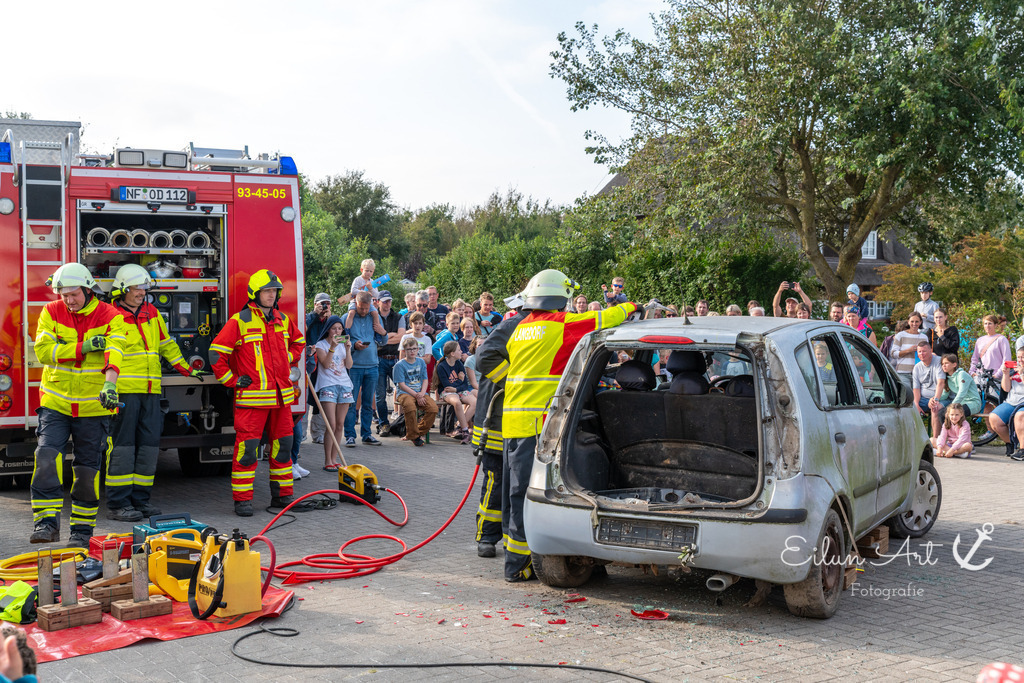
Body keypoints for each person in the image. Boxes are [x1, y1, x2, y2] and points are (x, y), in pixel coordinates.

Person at [479, 268, 636, 582]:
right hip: (538, 424)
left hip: (513, 422)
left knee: (516, 494)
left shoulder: (522, 327)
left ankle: (516, 562)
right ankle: (518, 567)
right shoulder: (560, 325)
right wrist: (632, 306)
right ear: (560, 299)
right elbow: (604, 319)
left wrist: (509, 382)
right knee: (530, 494)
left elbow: (497, 362)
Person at [30, 263, 126, 546]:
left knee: (87, 471)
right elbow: (43, 352)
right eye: (64, 295)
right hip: (56, 403)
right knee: (46, 457)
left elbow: (115, 350)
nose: (69, 301)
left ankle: (81, 533)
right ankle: (46, 524)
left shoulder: (110, 315)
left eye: (74, 294)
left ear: (87, 289)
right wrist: (82, 347)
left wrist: (110, 384)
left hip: (93, 408)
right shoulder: (51, 311)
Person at [106, 264, 197, 522]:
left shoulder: (152, 313)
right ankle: (118, 504)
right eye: (137, 288)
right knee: (123, 448)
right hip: (124, 392)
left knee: (148, 447)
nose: (142, 293)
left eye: (144, 288)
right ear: (122, 289)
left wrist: (186, 368)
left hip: (151, 390)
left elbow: (166, 344)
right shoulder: (110, 315)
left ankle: (141, 500)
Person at [209, 269, 304, 517]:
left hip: (281, 400)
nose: (272, 295)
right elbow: (216, 354)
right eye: (267, 291)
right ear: (255, 293)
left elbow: (299, 342)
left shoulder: (283, 319)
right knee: (247, 450)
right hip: (252, 401)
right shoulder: (240, 321)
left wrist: (287, 358)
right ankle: (243, 500)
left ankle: (283, 496)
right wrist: (231, 381)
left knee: (283, 447)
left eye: (275, 291)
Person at [470, 310, 525, 558]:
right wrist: (512, 382)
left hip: (518, 421)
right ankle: (486, 536)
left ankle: (511, 535)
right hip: (494, 421)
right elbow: (484, 358)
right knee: (496, 479)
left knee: (518, 483)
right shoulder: (513, 326)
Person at [342, 291, 386, 447]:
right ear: (356, 304)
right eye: (361, 308)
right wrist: (354, 346)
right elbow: (339, 340)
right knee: (351, 402)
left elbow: (383, 340)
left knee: (368, 403)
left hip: (372, 366)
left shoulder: (374, 316)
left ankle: (367, 434)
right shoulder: (347, 317)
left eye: (367, 308)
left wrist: (384, 333)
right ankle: (349, 435)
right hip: (354, 367)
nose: (364, 311)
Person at [314, 315, 354, 470]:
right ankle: (327, 461)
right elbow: (325, 364)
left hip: (344, 385)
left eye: (340, 328)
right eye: (334, 329)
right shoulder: (321, 344)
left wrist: (348, 349)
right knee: (330, 424)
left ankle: (334, 458)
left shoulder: (343, 345)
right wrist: (332, 347)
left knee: (339, 424)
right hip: (328, 385)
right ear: (328, 330)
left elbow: (349, 365)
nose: (337, 332)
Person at [303, 292, 335, 448]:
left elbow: (340, 336)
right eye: (322, 303)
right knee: (305, 399)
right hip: (309, 362)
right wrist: (315, 315)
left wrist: (329, 320)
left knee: (322, 398)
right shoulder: (308, 318)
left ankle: (318, 433)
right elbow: (301, 330)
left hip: (325, 363)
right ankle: (301, 434)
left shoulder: (330, 321)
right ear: (315, 304)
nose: (324, 306)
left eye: (327, 303)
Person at [393, 337, 437, 447]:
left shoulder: (421, 362)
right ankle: (414, 436)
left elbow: (425, 380)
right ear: (404, 351)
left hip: (420, 392)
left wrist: (421, 393)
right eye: (409, 349)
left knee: (433, 408)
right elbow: (401, 385)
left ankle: (416, 433)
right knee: (410, 407)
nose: (412, 351)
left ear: (418, 350)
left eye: (414, 349)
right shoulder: (399, 365)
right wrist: (417, 395)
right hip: (405, 393)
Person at [433, 341, 476, 444]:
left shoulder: (459, 364)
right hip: (446, 392)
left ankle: (460, 426)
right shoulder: (442, 366)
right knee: (457, 402)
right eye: (459, 350)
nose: (461, 352)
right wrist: (459, 380)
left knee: (475, 402)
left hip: (458, 390)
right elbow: (447, 386)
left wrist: (456, 388)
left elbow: (465, 385)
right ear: (452, 353)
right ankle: (465, 432)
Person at [375, 291, 405, 437]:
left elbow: (401, 337)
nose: (387, 304)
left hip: (395, 358)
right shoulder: (374, 316)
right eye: (385, 301)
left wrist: (383, 338)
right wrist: (392, 335)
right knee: (380, 395)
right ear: (378, 302)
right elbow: (374, 339)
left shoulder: (398, 317)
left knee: (404, 390)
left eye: (389, 301)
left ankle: (403, 422)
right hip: (379, 359)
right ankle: (384, 424)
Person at [988, 355, 1024, 457]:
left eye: (1023, 357)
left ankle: (1022, 449)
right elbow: (1006, 389)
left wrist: (1022, 374)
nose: (1020, 360)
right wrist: (1006, 373)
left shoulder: (1020, 371)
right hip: (1012, 401)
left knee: (1019, 416)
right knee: (994, 418)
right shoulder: (1014, 371)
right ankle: (1010, 443)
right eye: (1019, 357)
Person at [913, 341, 949, 439]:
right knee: (908, 407)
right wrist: (916, 404)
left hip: (941, 398)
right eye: (919, 352)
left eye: (924, 351)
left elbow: (941, 383)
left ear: (931, 350)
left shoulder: (939, 361)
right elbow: (916, 388)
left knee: (935, 408)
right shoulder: (917, 367)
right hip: (924, 399)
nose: (922, 354)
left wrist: (935, 399)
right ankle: (916, 439)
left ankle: (935, 440)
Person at [969, 314, 1011, 387]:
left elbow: (1007, 359)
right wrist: (972, 372)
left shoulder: (1001, 339)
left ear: (996, 325)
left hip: (995, 379)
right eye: (985, 323)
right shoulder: (980, 340)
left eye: (990, 323)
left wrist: (997, 375)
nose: (987, 326)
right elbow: (975, 358)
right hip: (980, 377)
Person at [941, 353, 982, 418]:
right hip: (960, 404)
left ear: (954, 364)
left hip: (973, 403)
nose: (944, 365)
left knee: (953, 414)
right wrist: (935, 399)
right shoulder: (948, 379)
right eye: (942, 364)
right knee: (941, 414)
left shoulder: (962, 374)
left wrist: (951, 406)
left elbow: (962, 393)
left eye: (946, 363)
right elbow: (944, 395)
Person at [889, 312, 929, 378]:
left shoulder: (924, 337)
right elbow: (893, 354)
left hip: (919, 373)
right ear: (908, 322)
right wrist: (908, 350)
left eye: (917, 321)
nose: (914, 324)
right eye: (912, 321)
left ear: (920, 322)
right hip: (903, 372)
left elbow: (927, 354)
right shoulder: (900, 335)